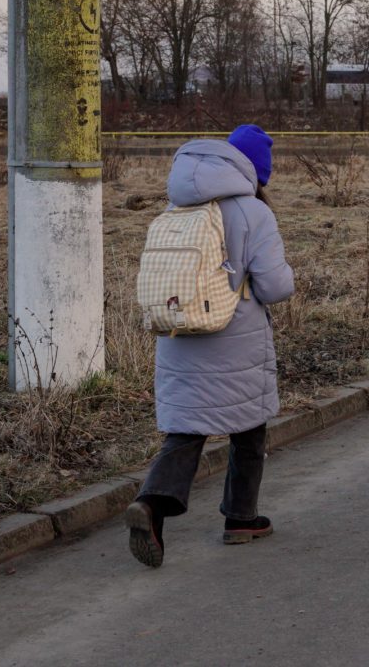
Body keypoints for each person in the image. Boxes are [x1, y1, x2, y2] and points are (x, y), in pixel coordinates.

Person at [125, 125, 295, 568]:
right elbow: (275, 287)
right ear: (255, 172)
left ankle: (151, 504)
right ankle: (241, 519)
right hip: (234, 337)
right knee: (249, 427)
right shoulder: (252, 212)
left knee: (186, 430)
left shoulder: (177, 205)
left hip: (179, 334)